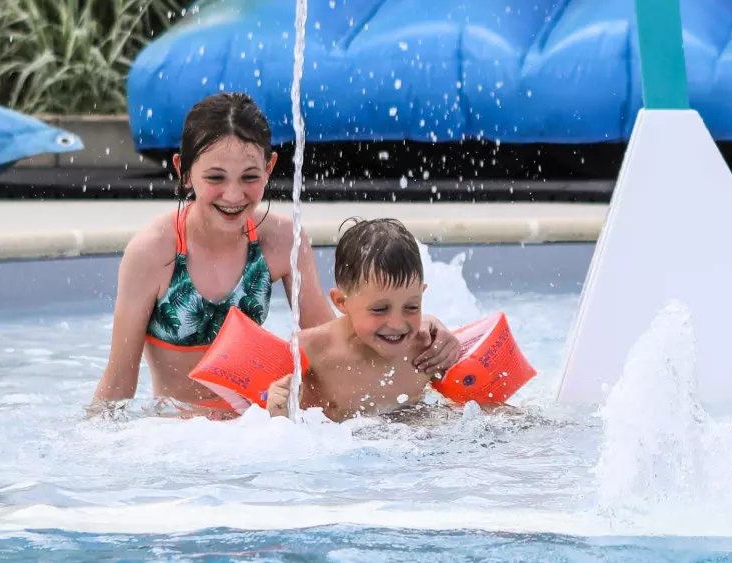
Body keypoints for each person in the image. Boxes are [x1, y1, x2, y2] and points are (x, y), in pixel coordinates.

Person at [88, 92, 459, 418]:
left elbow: (335, 343)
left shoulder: (282, 240)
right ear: (183, 172)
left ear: (269, 168)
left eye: (250, 177)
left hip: (260, 427)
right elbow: (119, 381)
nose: (234, 195)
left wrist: (424, 330)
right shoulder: (154, 252)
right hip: (185, 435)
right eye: (216, 178)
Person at [265, 218, 459, 423]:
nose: (397, 324)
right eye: (379, 309)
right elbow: (266, 419)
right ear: (341, 301)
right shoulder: (309, 350)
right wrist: (279, 412)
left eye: (411, 307)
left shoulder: (427, 350)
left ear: (422, 294)